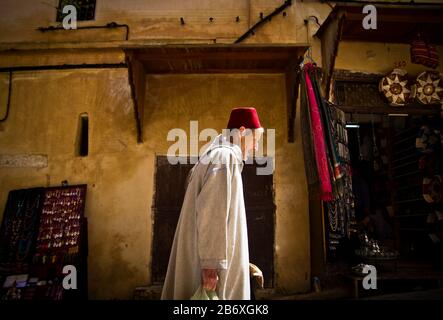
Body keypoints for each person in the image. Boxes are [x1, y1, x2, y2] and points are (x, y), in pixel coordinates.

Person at [161, 107, 264, 300]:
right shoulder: (225, 158)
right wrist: (210, 265)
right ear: (242, 132)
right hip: (209, 273)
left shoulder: (216, 156)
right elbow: (212, 213)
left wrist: (241, 262)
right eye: (255, 140)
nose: (256, 147)